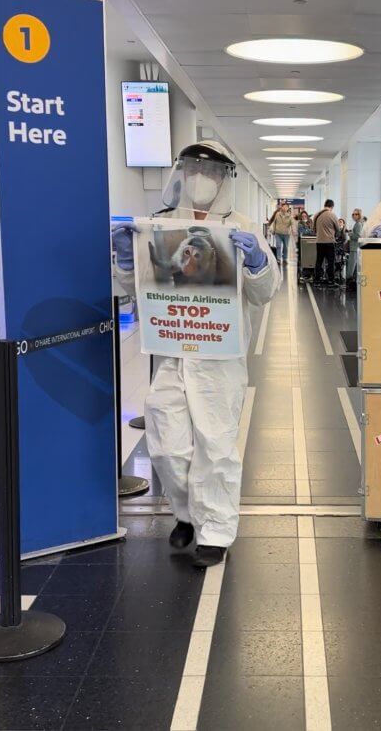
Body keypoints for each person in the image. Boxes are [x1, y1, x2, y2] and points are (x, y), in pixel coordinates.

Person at [112, 142, 280, 567]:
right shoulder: (161, 225)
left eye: (211, 170)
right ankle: (187, 513)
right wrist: (125, 260)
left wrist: (258, 261)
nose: (201, 177)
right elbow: (137, 291)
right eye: (193, 168)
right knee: (167, 446)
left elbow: (265, 293)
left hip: (220, 360)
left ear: (225, 178)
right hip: (171, 352)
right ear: (181, 174)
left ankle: (216, 533)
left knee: (216, 447)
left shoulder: (241, 227)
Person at [313, 199, 340, 287]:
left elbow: (313, 229)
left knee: (319, 261)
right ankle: (330, 280)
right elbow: (338, 229)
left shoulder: (316, 215)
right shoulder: (332, 215)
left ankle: (317, 280)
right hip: (329, 242)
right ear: (332, 207)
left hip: (319, 241)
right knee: (330, 262)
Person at [346, 208, 364, 283]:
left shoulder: (358, 224)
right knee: (354, 266)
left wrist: (350, 234)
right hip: (355, 247)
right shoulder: (357, 223)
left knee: (351, 266)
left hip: (354, 247)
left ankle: (349, 280)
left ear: (359, 215)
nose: (354, 216)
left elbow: (358, 236)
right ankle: (352, 281)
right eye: (353, 214)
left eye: (356, 214)